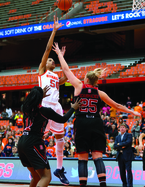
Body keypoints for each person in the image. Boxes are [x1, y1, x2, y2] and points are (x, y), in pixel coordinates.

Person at [53, 43, 140, 187]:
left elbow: (66, 69)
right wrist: (132, 111)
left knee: (82, 158)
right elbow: (117, 106)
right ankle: (103, 185)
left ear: (86, 79)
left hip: (81, 123)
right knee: (98, 157)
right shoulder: (101, 93)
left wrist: (60, 55)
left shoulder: (79, 86)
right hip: (96, 123)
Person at [18, 86, 80, 187]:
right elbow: (63, 119)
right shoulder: (45, 111)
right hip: (33, 142)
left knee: (36, 177)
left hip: (21, 142)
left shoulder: (24, 108)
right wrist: (73, 108)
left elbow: (32, 103)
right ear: (40, 97)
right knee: (46, 177)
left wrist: (40, 96)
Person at [37, 16, 69, 185]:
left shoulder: (56, 76)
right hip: (44, 106)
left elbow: (66, 77)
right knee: (37, 137)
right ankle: (36, 167)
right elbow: (48, 49)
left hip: (56, 107)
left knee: (60, 137)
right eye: (50, 59)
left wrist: (61, 58)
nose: (51, 60)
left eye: (52, 60)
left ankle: (59, 168)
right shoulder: (42, 71)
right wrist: (54, 30)